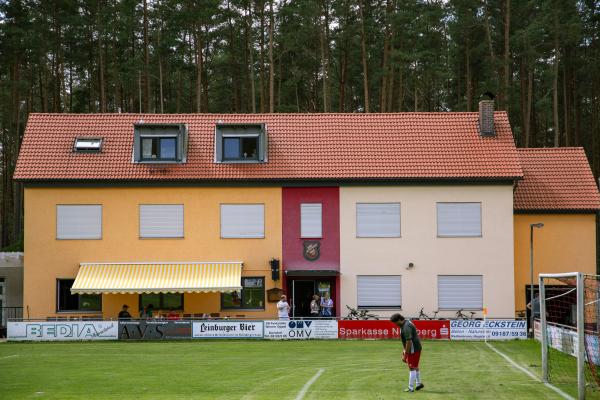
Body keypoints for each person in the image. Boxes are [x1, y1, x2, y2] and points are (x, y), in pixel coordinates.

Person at [391, 313, 424, 393]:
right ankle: (419, 383)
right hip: (416, 347)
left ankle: (411, 388)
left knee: (411, 367)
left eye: (395, 322)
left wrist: (405, 355)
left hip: (413, 349)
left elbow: (409, 341)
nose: (395, 324)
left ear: (399, 320)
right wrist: (404, 349)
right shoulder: (407, 322)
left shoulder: (406, 327)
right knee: (415, 366)